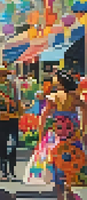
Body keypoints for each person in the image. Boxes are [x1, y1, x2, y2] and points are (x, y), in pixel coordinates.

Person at [32, 71, 87, 200]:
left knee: (57, 158)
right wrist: (83, 128)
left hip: (58, 130)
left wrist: (40, 131)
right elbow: (85, 109)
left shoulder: (53, 96)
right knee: (72, 156)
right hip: (73, 130)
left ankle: (60, 192)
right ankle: (68, 187)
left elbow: (44, 115)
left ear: (60, 82)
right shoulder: (75, 97)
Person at [0, 65, 22, 181]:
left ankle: (12, 170)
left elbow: (18, 100)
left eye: (4, 75)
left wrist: (19, 109)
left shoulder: (13, 86)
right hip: (0, 119)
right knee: (2, 145)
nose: (2, 77)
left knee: (13, 144)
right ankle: (4, 171)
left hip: (13, 118)